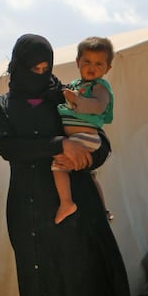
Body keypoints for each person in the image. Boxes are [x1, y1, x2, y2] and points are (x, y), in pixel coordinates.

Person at [0, 34, 134, 296]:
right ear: (18, 66)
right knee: (35, 284)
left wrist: (86, 157)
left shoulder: (60, 94)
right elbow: (7, 147)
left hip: (70, 204)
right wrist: (57, 146)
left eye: (46, 68)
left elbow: (98, 139)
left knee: (77, 280)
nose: (41, 74)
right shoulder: (1, 104)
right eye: (34, 68)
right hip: (26, 205)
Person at [54, 36, 115, 224]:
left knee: (58, 165)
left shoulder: (99, 87)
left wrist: (76, 101)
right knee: (89, 176)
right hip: (78, 137)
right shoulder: (73, 85)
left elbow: (98, 106)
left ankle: (66, 202)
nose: (92, 67)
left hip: (86, 136)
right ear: (77, 62)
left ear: (107, 68)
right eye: (87, 61)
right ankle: (102, 211)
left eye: (98, 63)